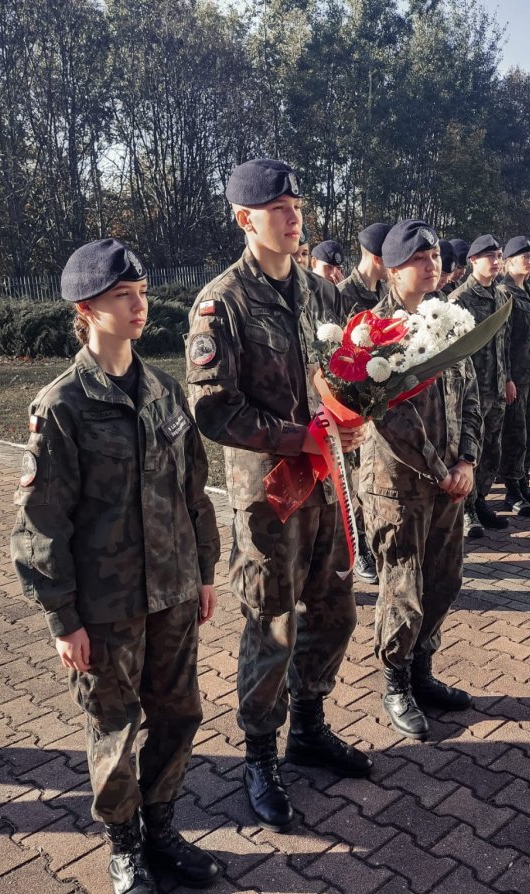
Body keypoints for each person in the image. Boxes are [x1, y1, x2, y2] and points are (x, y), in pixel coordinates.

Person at [11, 239, 222, 894]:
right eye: (122, 298)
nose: (139, 306)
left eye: (142, 293)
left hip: (176, 592)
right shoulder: (63, 406)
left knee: (180, 713)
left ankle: (161, 826)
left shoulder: (163, 390)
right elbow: (43, 520)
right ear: (87, 310)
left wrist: (206, 572)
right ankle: (125, 844)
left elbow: (194, 490)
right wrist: (61, 617)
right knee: (114, 727)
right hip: (106, 609)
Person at [185, 159, 372, 835]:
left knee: (336, 610)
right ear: (246, 219)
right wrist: (298, 438)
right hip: (268, 500)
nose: (295, 219)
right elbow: (211, 410)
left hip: (323, 488)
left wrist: (348, 418)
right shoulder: (222, 303)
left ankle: (310, 727)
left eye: (297, 206)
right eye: (280, 209)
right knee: (272, 625)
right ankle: (260, 755)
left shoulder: (316, 294)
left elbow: (334, 375)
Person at [362, 219, 480, 740]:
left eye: (434, 256)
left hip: (450, 481)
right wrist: (443, 471)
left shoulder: (451, 320)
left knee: (444, 581)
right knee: (402, 589)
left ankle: (423, 672)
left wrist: (468, 461)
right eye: (418, 259)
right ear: (391, 269)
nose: (431, 265)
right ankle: (395, 682)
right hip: (400, 486)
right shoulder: (372, 332)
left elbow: (471, 395)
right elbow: (391, 419)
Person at [337, 221, 392, 583]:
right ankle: (357, 551)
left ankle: (373, 544)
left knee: (376, 480)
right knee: (356, 482)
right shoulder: (342, 295)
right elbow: (333, 356)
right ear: (376, 257)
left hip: (383, 403)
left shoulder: (386, 294)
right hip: (353, 404)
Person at [451, 234, 512, 537]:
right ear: (473, 260)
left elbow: (504, 344)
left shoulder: (501, 297)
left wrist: (508, 379)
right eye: (490, 256)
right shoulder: (459, 300)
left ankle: (482, 499)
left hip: (497, 387)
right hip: (473, 391)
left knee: (492, 450)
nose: (497, 261)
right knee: (470, 450)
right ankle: (467, 509)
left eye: (499, 255)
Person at [498, 236, 530, 515]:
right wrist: (506, 377)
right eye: (524, 258)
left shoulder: (529, 291)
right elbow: (502, 341)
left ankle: (525, 482)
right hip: (516, 378)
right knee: (515, 435)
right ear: (508, 262)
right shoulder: (504, 293)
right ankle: (512, 489)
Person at [337, 222, 390, 318]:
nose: (395, 265)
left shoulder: (387, 292)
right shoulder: (339, 296)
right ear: (377, 259)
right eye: (391, 259)